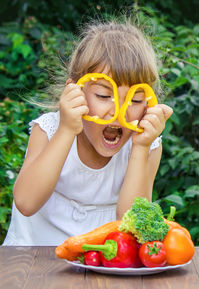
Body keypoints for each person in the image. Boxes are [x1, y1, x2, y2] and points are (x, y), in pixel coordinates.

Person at [3, 20, 173, 246]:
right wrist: (65, 130)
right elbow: (25, 202)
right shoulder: (50, 129)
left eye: (135, 99)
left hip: (100, 264)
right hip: (33, 260)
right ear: (75, 92)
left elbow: (131, 226)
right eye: (104, 96)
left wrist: (140, 148)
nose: (117, 112)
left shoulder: (147, 144)